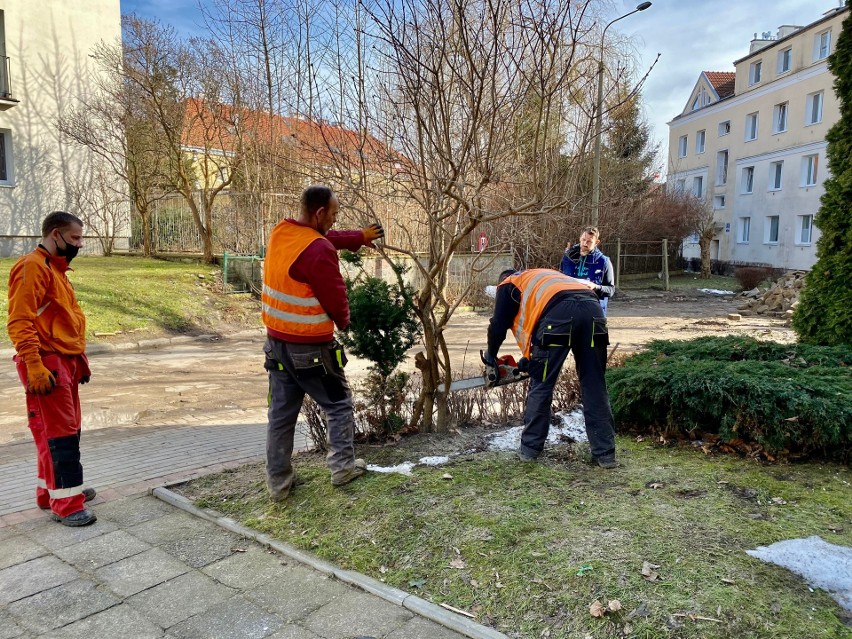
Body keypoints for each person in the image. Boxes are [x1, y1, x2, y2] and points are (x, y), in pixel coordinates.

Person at [262, 184, 384, 500]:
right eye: (332, 215)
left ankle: (278, 484)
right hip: (311, 351)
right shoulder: (318, 251)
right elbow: (337, 300)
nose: (333, 220)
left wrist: (359, 237)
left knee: (280, 415)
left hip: (277, 346)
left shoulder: (282, 232)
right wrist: (345, 321)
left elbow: (322, 238)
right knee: (339, 403)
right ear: (319, 213)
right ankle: (343, 467)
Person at [7, 212, 97, 526]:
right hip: (46, 363)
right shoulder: (33, 267)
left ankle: (53, 493)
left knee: (61, 432)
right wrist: (33, 364)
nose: (80, 245)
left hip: (61, 362)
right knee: (60, 435)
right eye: (75, 239)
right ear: (55, 234)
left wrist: (79, 360)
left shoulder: (54, 269)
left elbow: (62, 319)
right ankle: (68, 505)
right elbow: (20, 321)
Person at [486, 268, 617, 468]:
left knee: (543, 383)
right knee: (594, 384)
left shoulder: (508, 285)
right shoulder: (542, 277)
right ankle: (605, 454)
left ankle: (529, 450)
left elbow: (497, 326)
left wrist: (491, 355)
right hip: (594, 312)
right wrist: (531, 360)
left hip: (559, 317)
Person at [560, 226, 615, 316]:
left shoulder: (604, 261)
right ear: (580, 238)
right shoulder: (568, 258)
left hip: (593, 313)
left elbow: (611, 290)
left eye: (589, 241)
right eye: (583, 240)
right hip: (568, 311)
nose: (585, 244)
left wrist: (596, 287)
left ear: (596, 242)